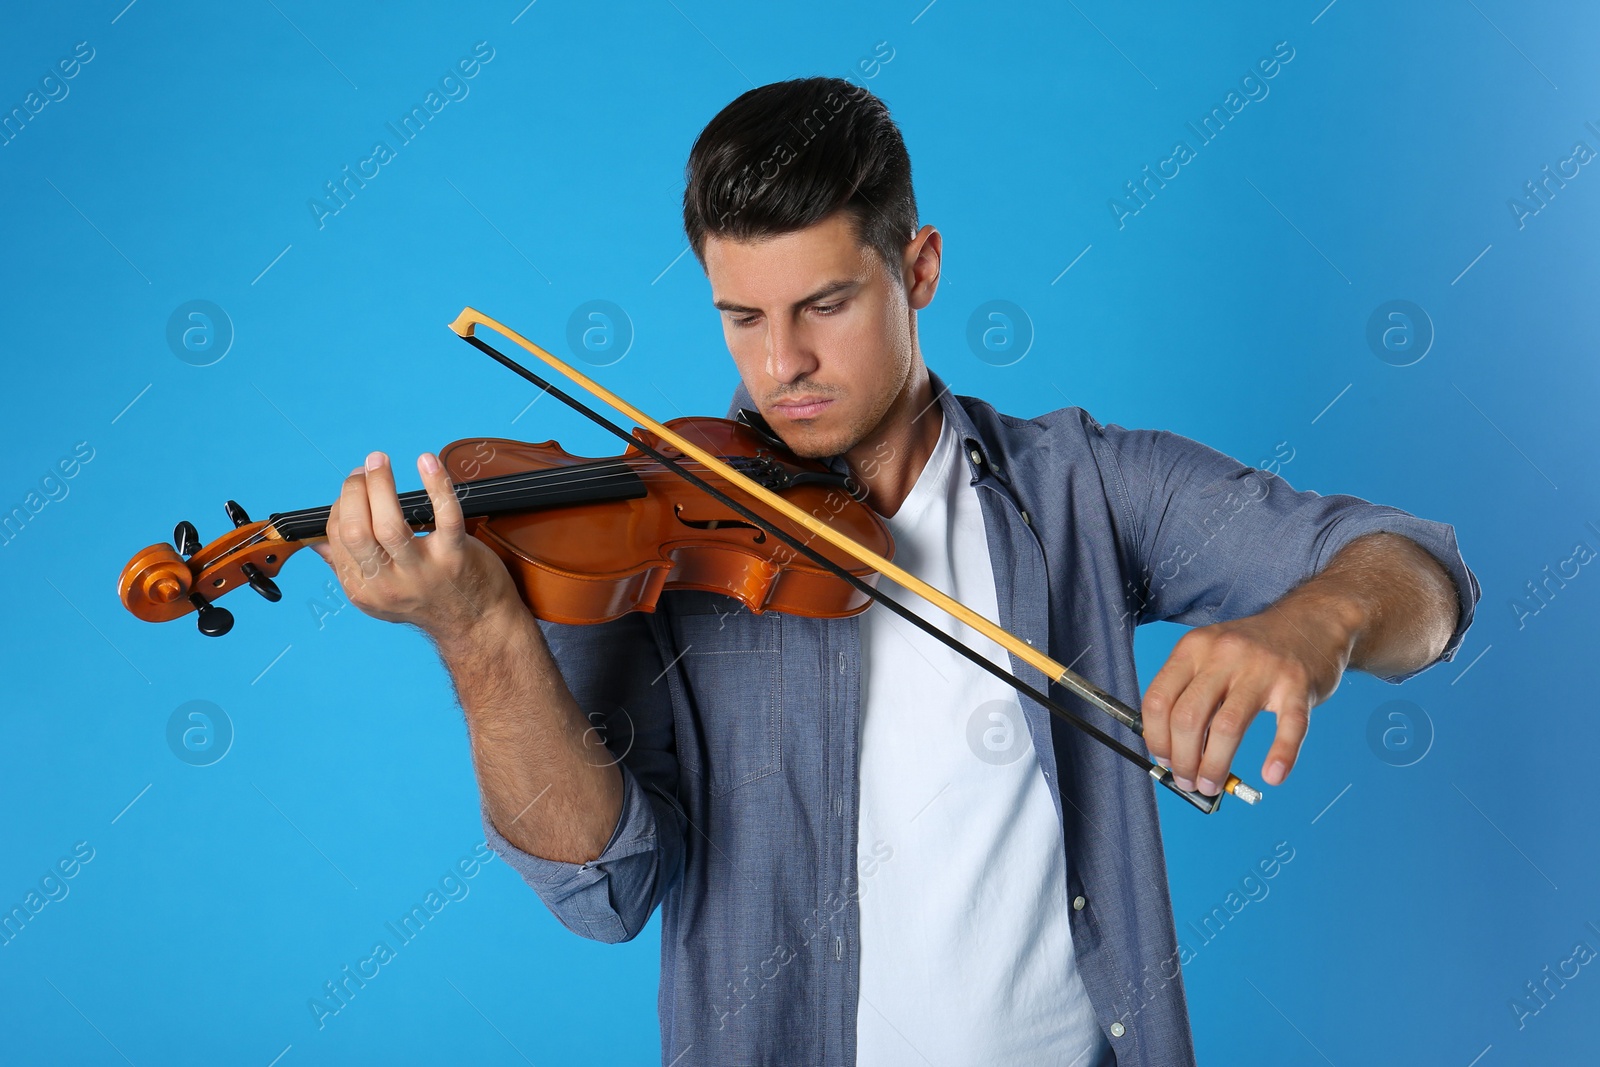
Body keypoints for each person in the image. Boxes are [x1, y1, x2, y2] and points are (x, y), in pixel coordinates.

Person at [311, 76, 1479, 1066]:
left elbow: (1420, 574)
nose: (784, 363)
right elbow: (603, 891)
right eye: (742, 317)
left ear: (916, 268)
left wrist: (1309, 623)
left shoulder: (1079, 488)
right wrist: (478, 634)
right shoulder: (658, 533)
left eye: (826, 303)